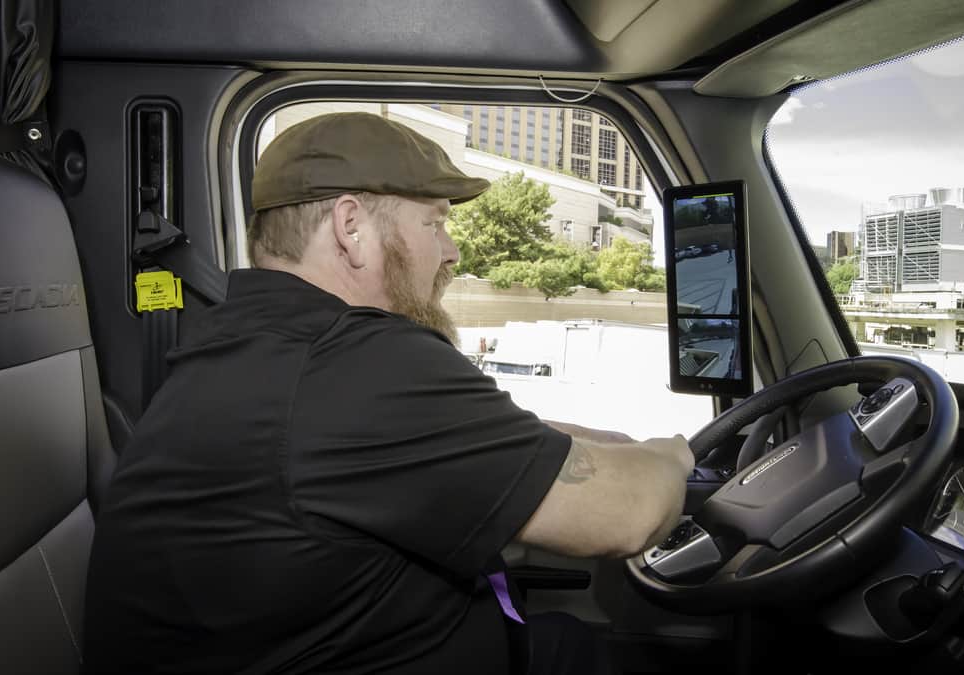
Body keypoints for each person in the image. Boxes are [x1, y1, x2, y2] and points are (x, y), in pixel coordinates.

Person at [83, 112, 695, 674]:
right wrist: (676, 456)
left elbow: (491, 440)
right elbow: (629, 515)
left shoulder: (258, 341)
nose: (451, 251)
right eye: (434, 222)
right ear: (351, 228)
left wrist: (610, 444)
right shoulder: (356, 361)